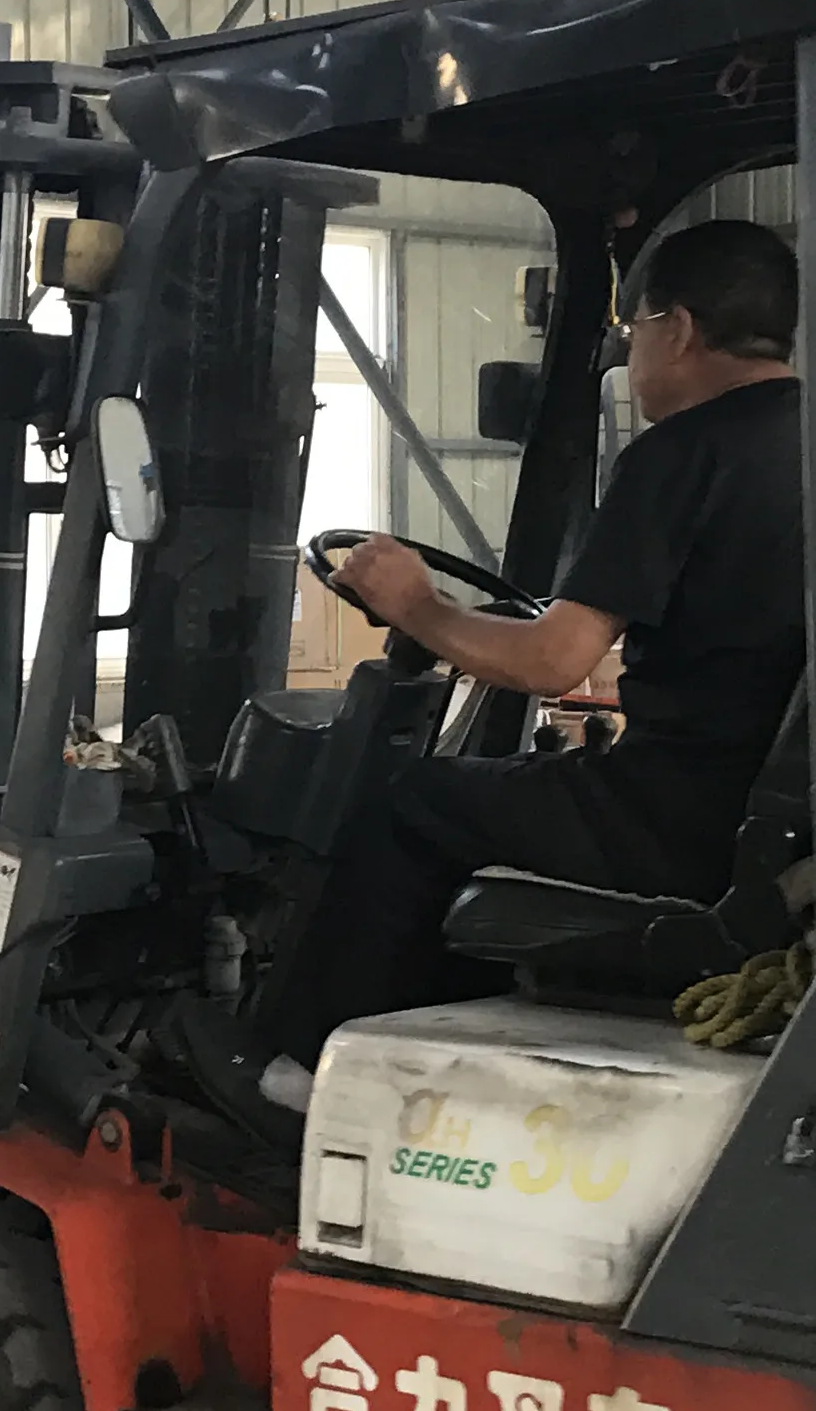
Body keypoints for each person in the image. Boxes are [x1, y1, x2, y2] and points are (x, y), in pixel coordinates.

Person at [270, 216, 805, 1088]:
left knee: (415, 803)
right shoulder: (798, 446)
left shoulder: (680, 453)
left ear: (676, 328)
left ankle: (303, 1073)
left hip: (677, 815)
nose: (630, 356)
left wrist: (415, 606)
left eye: (632, 331)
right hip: (770, 822)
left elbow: (551, 661)